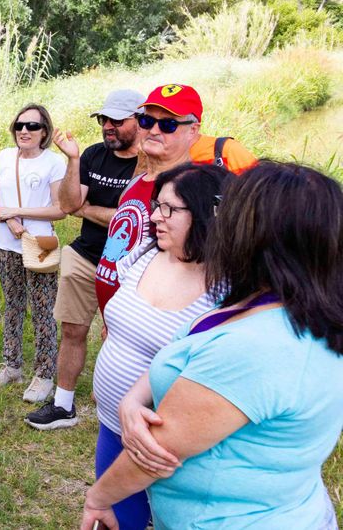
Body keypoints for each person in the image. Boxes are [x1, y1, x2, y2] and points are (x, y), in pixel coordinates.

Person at [81, 161, 343, 530]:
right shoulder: (283, 309)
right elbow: (182, 347)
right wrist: (130, 400)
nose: (220, 224)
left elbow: (159, 450)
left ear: (261, 236)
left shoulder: (256, 347)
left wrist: (99, 498)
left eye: (230, 214)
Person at [87, 163, 231, 529]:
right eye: (156, 205)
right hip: (112, 425)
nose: (154, 217)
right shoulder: (146, 254)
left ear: (205, 214)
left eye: (169, 209)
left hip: (167, 444)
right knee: (118, 519)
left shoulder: (227, 290)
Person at [25, 89, 143, 430]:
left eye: (118, 121)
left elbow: (134, 218)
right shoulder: (92, 156)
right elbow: (67, 204)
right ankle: (63, 405)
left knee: (121, 337)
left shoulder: (149, 162)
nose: (108, 126)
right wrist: (73, 160)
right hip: (85, 254)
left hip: (129, 265)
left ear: (139, 122)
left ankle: (122, 408)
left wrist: (89, 210)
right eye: (104, 120)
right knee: (73, 330)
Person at [0, 103, 67, 402]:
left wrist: (16, 212)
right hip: (6, 245)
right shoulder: (5, 157)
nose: (24, 131)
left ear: (44, 131)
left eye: (32, 126)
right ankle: (12, 365)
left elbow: (60, 209)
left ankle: (44, 375)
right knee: (12, 305)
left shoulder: (54, 163)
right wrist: (7, 217)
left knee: (43, 310)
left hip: (39, 245)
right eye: (20, 125)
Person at [94, 84, 203, 309]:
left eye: (167, 124)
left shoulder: (193, 191)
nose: (154, 130)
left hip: (147, 323)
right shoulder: (138, 180)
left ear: (193, 131)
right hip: (117, 319)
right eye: (146, 121)